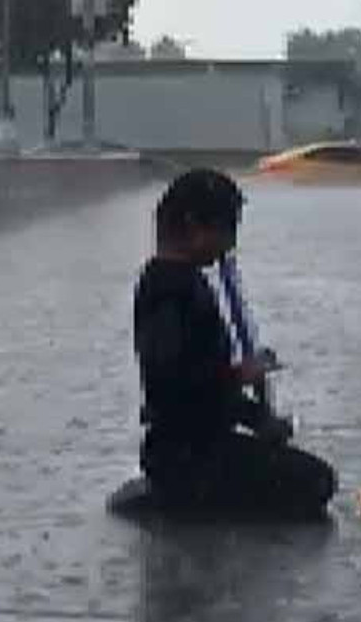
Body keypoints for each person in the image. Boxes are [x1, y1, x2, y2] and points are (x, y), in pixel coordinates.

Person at [132, 169, 336, 519]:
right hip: (182, 456)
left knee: (309, 477)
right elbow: (171, 386)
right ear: (194, 225)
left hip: (201, 444)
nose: (230, 244)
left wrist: (260, 421)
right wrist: (239, 374)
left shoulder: (189, 282)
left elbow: (210, 396)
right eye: (227, 230)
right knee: (316, 482)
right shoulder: (165, 289)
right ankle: (178, 503)